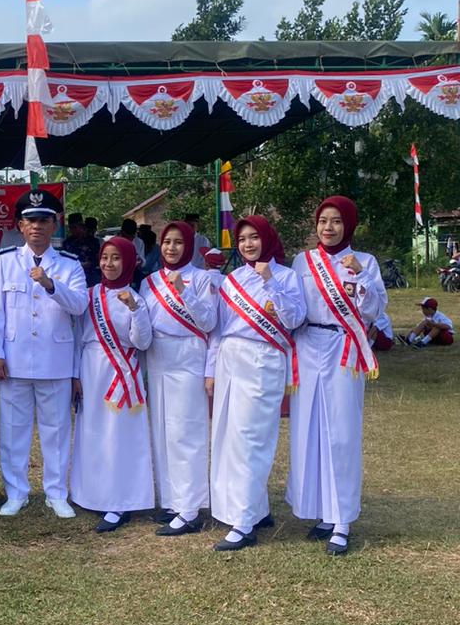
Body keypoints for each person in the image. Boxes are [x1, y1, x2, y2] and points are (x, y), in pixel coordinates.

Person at [286, 195, 386, 557]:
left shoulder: (365, 261)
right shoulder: (302, 261)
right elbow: (294, 306)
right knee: (309, 429)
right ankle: (322, 512)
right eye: (323, 221)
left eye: (337, 221)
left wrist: (361, 276)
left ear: (349, 225)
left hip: (344, 349)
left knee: (341, 432)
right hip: (307, 345)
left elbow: (375, 310)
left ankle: (342, 520)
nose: (328, 228)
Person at [0, 189, 88, 518]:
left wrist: (51, 284)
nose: (37, 227)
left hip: (54, 360)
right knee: (13, 430)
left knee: (56, 430)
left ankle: (56, 493)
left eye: (44, 220)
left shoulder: (69, 264)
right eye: (30, 221)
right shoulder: (5, 260)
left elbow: (80, 305)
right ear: (20, 225)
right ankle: (16, 493)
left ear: (54, 225)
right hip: (13, 359)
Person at [206, 217, 305, 552]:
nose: (248, 244)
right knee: (229, 436)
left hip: (264, 359)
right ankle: (254, 509)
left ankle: (244, 522)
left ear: (267, 239)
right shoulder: (232, 280)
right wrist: (210, 369)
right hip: (229, 358)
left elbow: (294, 319)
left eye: (254, 237)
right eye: (243, 239)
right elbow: (218, 328)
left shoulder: (286, 276)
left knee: (252, 439)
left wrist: (270, 282)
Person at [70, 237, 155, 532]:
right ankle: (91, 494)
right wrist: (75, 375)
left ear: (129, 261)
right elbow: (77, 337)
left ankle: (120, 501)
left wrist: (134, 309)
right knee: (91, 433)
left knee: (119, 437)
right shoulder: (89, 294)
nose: (109, 263)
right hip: (90, 369)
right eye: (105, 257)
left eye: (116, 258)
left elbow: (142, 342)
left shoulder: (137, 298)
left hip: (121, 374)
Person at [140, 220, 217, 536]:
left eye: (178, 242)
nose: (172, 248)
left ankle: (191, 508)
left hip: (188, 355)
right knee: (162, 431)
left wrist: (183, 290)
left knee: (185, 432)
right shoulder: (150, 281)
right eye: (167, 242)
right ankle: (172, 501)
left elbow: (208, 321)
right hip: (158, 356)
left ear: (189, 245)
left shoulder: (201, 279)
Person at [61, 213, 101, 288]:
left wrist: (88, 264)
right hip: (72, 276)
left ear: (81, 226)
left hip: (90, 276)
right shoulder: (67, 243)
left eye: (75, 227)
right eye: (70, 228)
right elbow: (63, 260)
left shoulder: (93, 241)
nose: (72, 230)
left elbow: (97, 259)